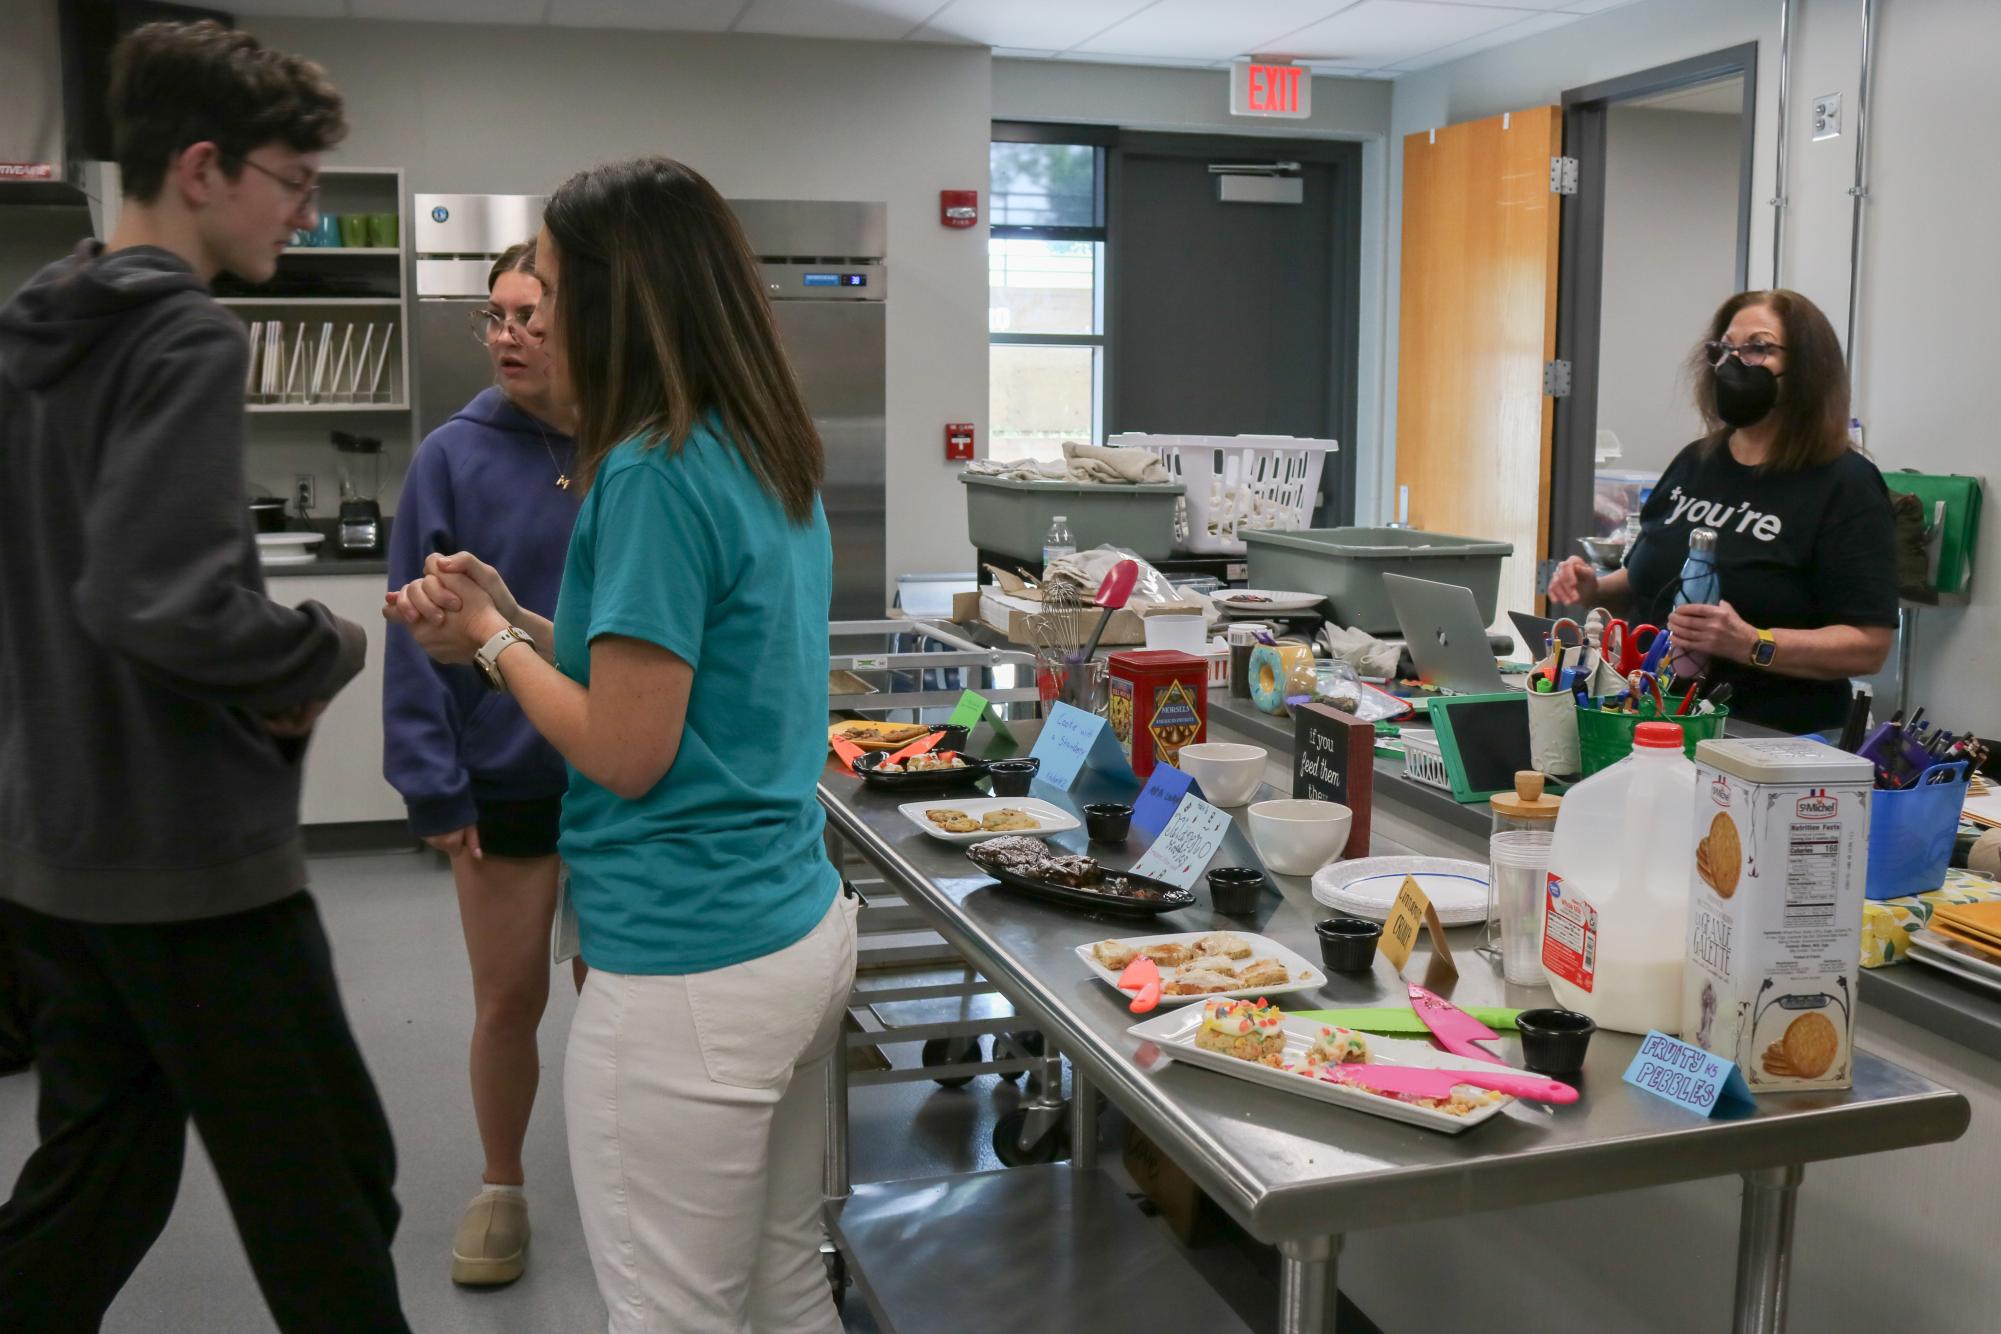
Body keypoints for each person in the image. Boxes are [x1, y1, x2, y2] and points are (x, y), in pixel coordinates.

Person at [388, 156, 857, 1333]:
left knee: (669, 1310)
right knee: (787, 1280)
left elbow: (628, 748)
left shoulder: (647, 469)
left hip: (690, 958)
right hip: (793, 924)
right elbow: (673, 668)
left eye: (546, 283)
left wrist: (492, 644)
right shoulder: (757, 441)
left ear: (611, 294)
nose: (532, 310)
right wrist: (524, 615)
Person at [0, 21, 409, 1331]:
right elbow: (154, 598)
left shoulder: (38, 333)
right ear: (199, 166)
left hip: (56, 849)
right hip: (189, 859)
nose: (302, 210)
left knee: (94, 1182)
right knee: (334, 1197)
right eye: (291, 180)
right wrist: (317, 650)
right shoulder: (184, 334)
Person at [382, 238, 581, 1286]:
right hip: (503, 771)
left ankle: (619, 1163)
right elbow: (414, 627)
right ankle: (501, 1183)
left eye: (528, 316)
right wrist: (429, 774)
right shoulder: (452, 455)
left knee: (623, 992)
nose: (506, 334)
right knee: (508, 999)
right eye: (494, 316)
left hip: (617, 768)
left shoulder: (632, 449)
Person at [1547, 289, 1896, 734]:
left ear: (1807, 367)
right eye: (1725, 349)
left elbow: (1869, 646)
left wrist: (1751, 642)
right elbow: (1644, 580)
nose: (1735, 363)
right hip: (1658, 722)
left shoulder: (1845, 484)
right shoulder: (1695, 462)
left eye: (1758, 348)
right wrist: (1594, 588)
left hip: (1771, 740)